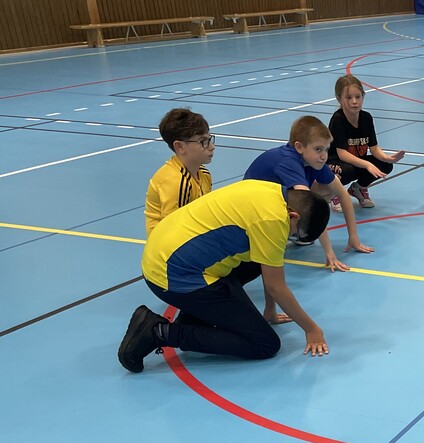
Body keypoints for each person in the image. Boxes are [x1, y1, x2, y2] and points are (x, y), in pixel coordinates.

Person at [118, 180, 331, 373]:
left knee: (261, 259)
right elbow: (276, 287)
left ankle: (194, 317)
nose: (290, 237)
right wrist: (311, 329)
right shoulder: (274, 219)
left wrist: (270, 310)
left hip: (164, 255)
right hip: (171, 275)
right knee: (265, 344)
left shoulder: (272, 193)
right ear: (293, 216)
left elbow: (270, 266)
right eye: (294, 234)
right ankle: (159, 332)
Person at [244, 116, 374, 321]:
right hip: (252, 212)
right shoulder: (289, 163)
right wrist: (329, 252)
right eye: (318, 149)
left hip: (273, 202)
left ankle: (296, 235)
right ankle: (270, 310)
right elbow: (309, 209)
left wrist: (353, 237)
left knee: (326, 189)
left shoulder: (312, 161)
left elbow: (342, 194)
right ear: (299, 147)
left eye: (326, 149)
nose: (324, 156)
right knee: (270, 257)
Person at [328, 74, 405, 211]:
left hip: (356, 161)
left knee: (385, 165)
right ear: (339, 99)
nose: (354, 101)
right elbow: (342, 154)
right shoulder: (337, 120)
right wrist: (367, 164)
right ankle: (334, 192)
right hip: (335, 163)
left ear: (363, 96)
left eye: (358, 97)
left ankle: (358, 189)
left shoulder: (366, 118)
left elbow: (374, 148)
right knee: (348, 171)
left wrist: (387, 158)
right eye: (349, 98)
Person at [145, 108, 213, 237]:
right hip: (166, 243)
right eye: (203, 141)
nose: (211, 147)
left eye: (210, 139)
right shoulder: (176, 182)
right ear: (180, 147)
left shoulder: (203, 173)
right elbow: (173, 231)